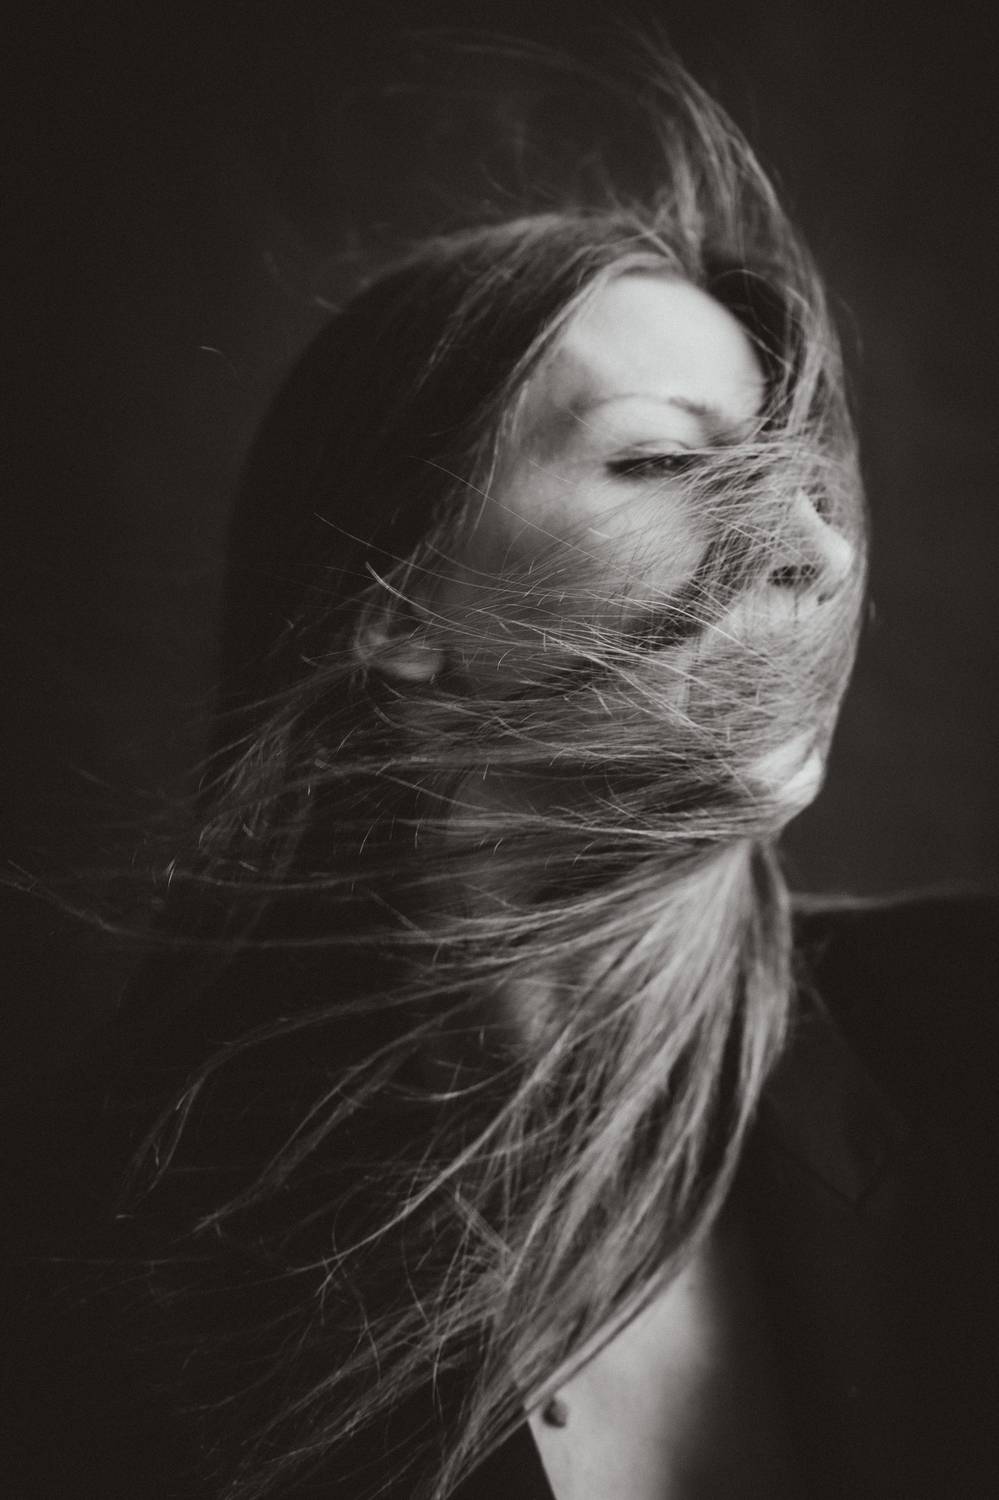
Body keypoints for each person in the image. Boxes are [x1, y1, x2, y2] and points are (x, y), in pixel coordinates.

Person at [3, 43, 996, 1500]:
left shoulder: (967, 1040)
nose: (813, 550)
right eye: (661, 464)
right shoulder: (110, 1251)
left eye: (800, 483)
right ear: (395, 610)